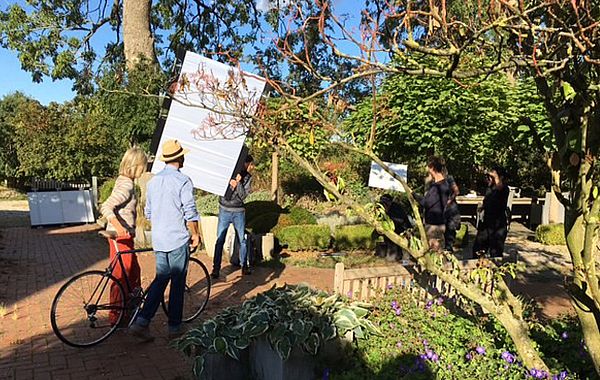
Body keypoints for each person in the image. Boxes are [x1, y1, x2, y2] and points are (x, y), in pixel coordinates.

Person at [129, 139, 200, 341]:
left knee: (161, 280)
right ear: (179, 158)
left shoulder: (153, 182)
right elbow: (189, 211)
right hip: (177, 239)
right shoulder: (183, 181)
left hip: (159, 240)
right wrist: (194, 234)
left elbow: (149, 212)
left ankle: (142, 321)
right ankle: (174, 327)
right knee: (177, 283)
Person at [100, 146, 148, 327]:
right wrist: (120, 228)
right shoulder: (127, 185)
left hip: (125, 236)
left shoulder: (123, 180)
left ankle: (129, 309)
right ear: (135, 165)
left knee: (133, 272)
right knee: (121, 276)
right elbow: (106, 207)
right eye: (142, 166)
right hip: (120, 237)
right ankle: (117, 317)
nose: (143, 170)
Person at [211, 154, 255, 279]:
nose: (250, 167)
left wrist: (239, 183)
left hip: (238, 211)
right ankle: (216, 269)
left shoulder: (248, 178)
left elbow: (243, 196)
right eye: (249, 164)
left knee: (242, 240)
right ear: (244, 163)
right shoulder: (227, 172)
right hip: (224, 209)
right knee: (220, 240)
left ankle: (244, 267)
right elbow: (219, 188)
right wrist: (229, 184)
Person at [472, 166, 510, 258]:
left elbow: (499, 187)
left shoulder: (504, 188)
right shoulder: (490, 188)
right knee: (478, 248)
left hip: (498, 225)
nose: (490, 179)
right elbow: (488, 200)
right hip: (486, 223)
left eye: (492, 177)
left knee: (496, 252)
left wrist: (496, 176)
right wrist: (483, 207)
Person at [419, 156, 450, 251]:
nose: (428, 172)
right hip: (437, 224)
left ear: (432, 167)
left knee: (435, 254)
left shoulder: (439, 187)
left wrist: (413, 195)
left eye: (429, 169)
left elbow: (426, 203)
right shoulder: (441, 184)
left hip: (434, 226)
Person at [443, 170, 461, 252]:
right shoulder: (435, 181)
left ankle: (449, 248)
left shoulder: (449, 178)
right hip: (443, 208)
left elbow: (456, 191)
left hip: (451, 208)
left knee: (450, 229)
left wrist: (450, 199)